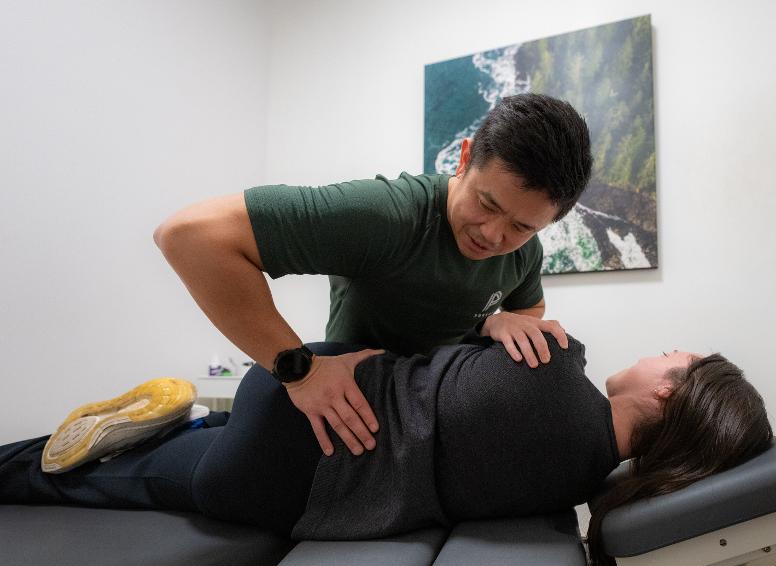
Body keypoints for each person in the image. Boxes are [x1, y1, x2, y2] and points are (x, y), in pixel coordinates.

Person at [0, 335, 772, 566]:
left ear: (666, 394)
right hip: (321, 485)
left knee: (77, 473)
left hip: (279, 443)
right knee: (163, 457)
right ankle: (172, 428)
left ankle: (89, 449)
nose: (660, 350)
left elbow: (416, 337)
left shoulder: (552, 366)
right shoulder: (578, 476)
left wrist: (494, 319)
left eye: (673, 355)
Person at [153, 93, 593, 458]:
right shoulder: (387, 216)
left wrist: (496, 322)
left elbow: (529, 307)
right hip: (350, 403)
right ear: (464, 158)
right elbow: (190, 237)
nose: (493, 235)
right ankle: (164, 435)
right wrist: (301, 372)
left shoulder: (523, 252)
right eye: (487, 203)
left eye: (521, 226)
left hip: (424, 413)